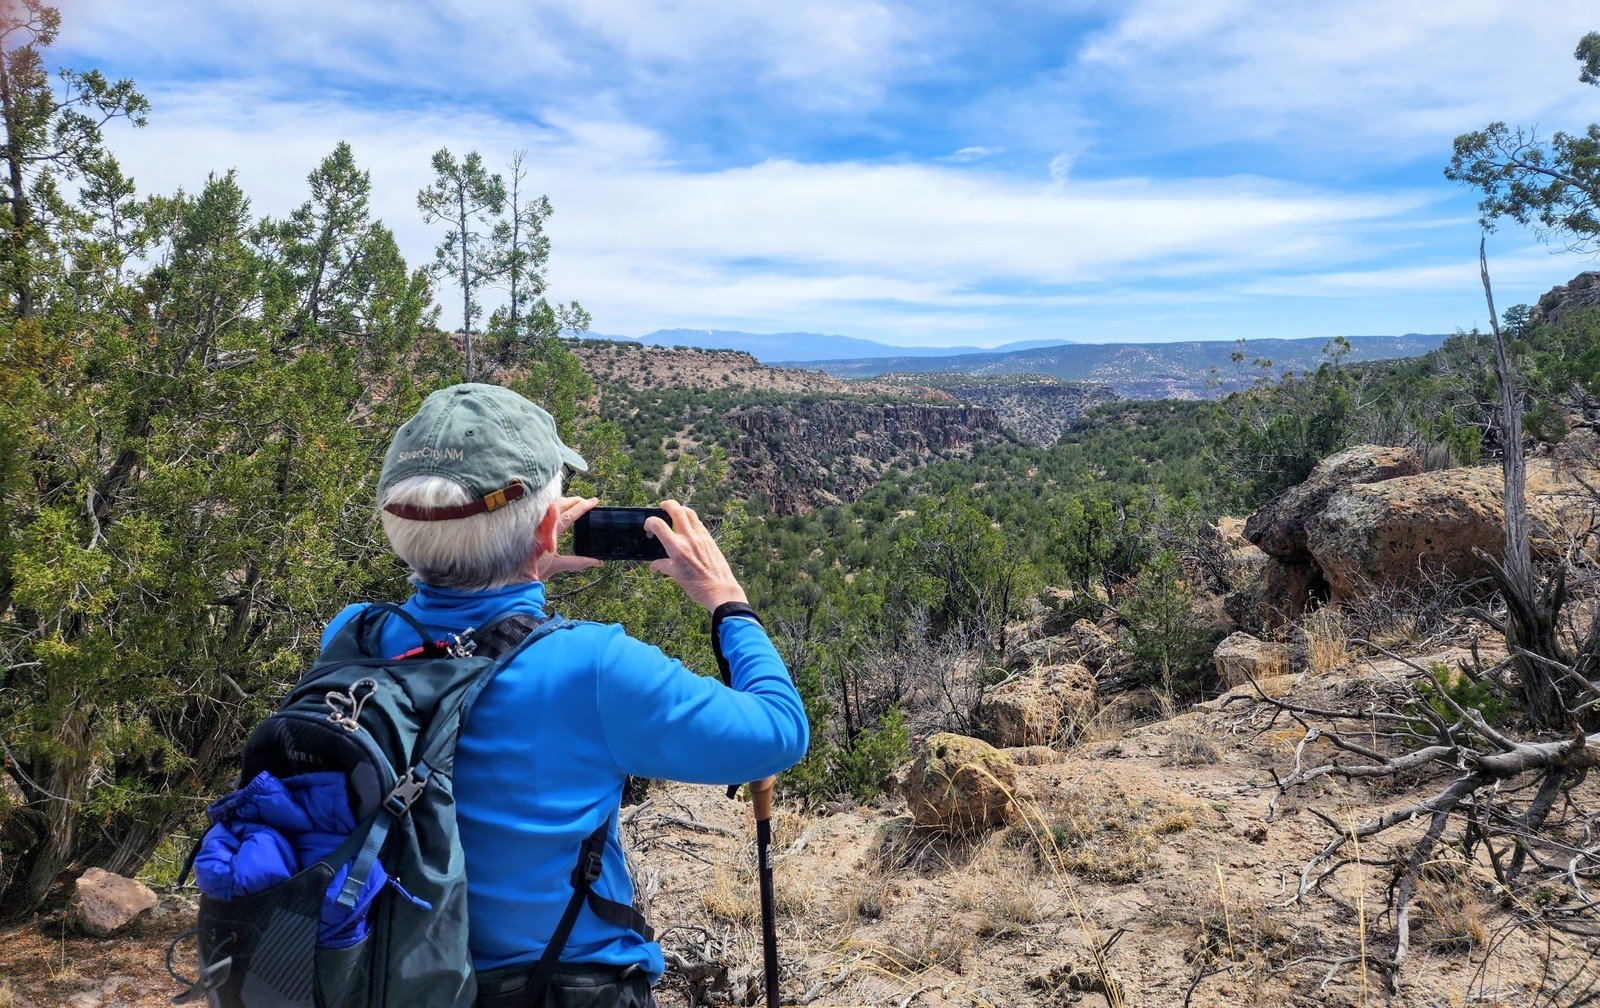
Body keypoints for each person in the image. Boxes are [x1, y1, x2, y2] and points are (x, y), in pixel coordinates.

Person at [320, 382, 810, 1008]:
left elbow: (453, 632)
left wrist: (516, 566)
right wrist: (726, 599)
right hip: (555, 987)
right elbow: (780, 731)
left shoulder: (353, 634)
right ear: (550, 527)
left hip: (388, 976)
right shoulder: (593, 667)